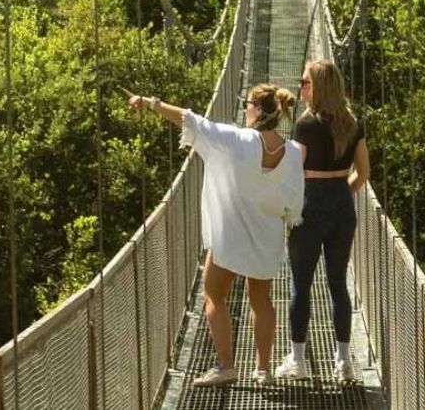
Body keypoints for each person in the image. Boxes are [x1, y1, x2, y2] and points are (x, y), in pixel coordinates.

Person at [127, 84, 304, 386]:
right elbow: (294, 203)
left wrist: (151, 103)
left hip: (230, 236)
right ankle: (263, 370)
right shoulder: (293, 153)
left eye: (247, 104)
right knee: (261, 300)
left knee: (213, 294)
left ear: (258, 110)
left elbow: (191, 120)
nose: (245, 109)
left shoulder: (235, 139)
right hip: (267, 237)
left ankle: (226, 366)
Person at [275, 60, 369, 383]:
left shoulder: (305, 125)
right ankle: (343, 362)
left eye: (306, 83)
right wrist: (341, 193)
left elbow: (293, 173)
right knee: (338, 283)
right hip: (342, 207)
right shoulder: (352, 123)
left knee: (301, 285)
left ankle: (298, 360)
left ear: (320, 87)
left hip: (310, 206)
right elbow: (364, 172)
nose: (301, 87)